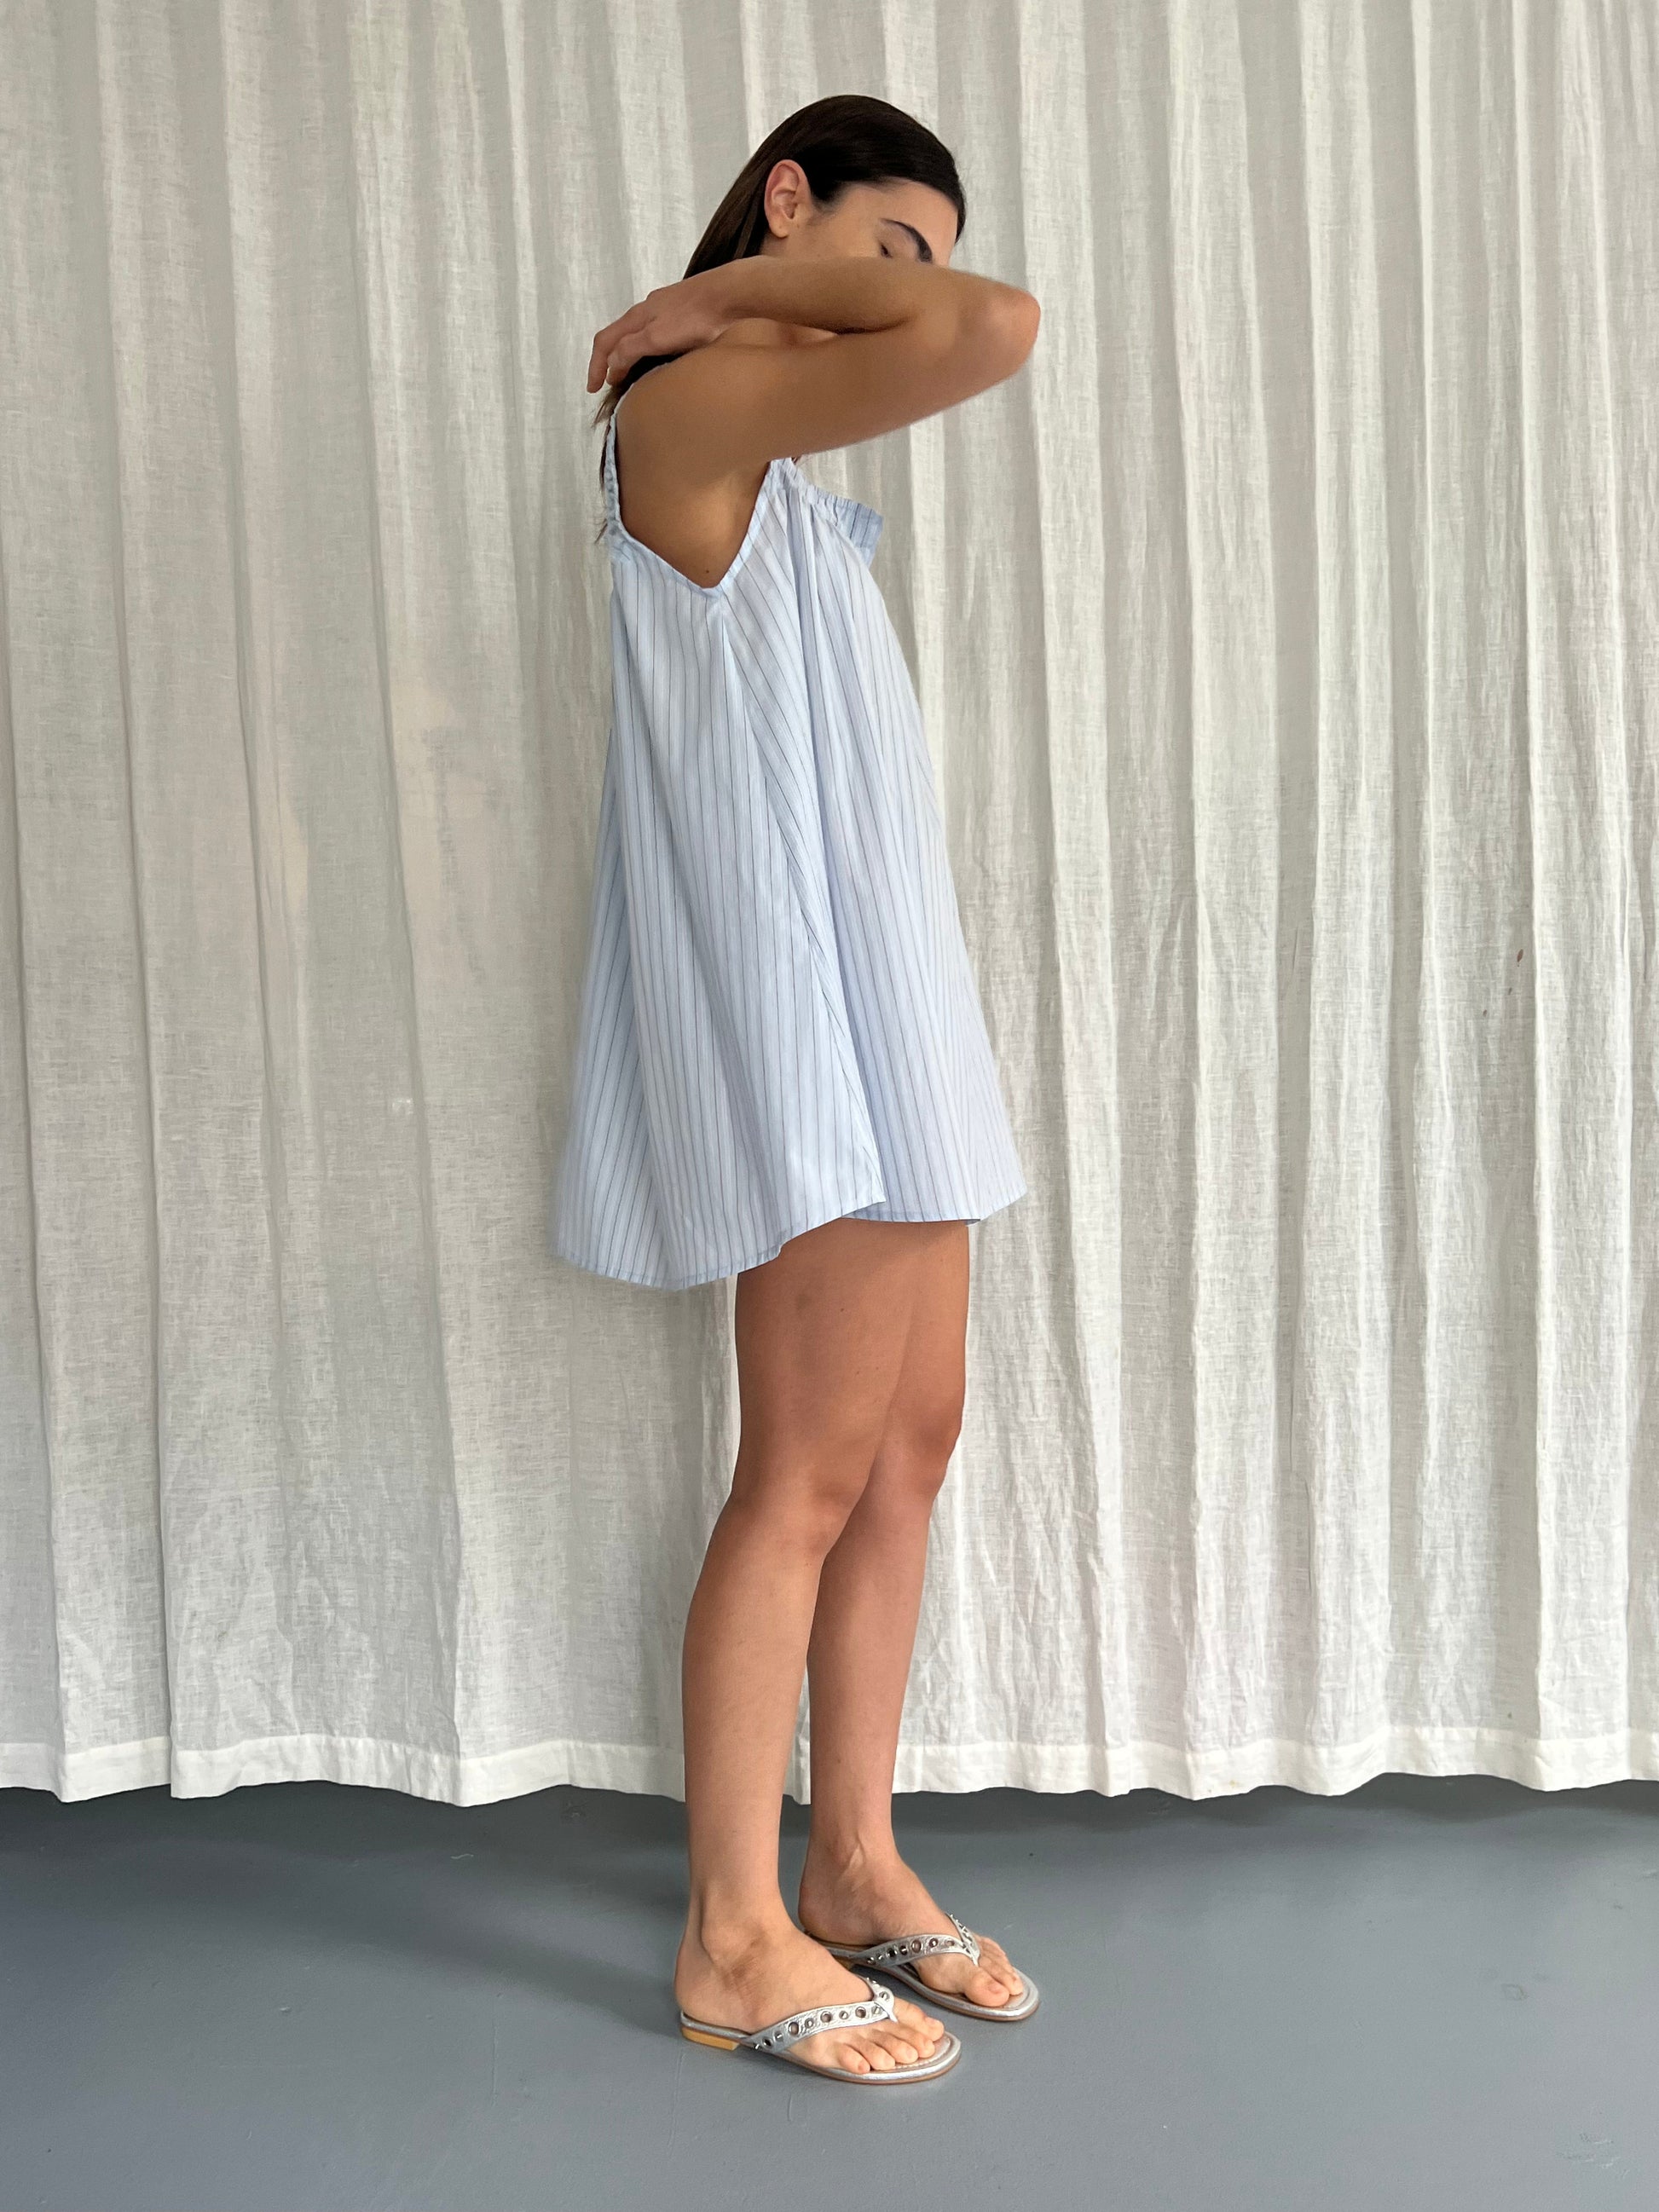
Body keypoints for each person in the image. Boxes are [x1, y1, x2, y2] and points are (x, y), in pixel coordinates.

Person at [552, 94, 1040, 2085]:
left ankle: (846, 1860)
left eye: (899, 266)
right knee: (807, 1471)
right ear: (787, 207)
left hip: (897, 1010)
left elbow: (955, 327)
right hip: (806, 1033)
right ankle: (728, 1932)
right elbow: (991, 327)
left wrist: (753, 291)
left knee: (911, 1444)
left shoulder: (798, 475)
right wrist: (717, 297)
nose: (891, 303)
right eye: (874, 247)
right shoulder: (692, 412)